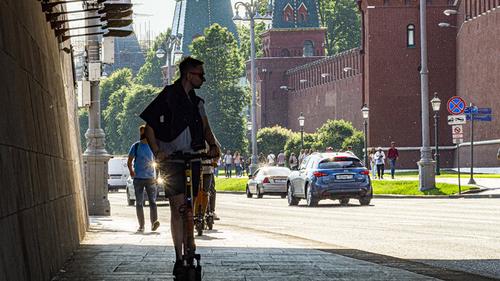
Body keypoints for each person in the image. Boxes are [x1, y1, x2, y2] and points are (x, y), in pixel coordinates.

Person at [139, 56, 220, 274]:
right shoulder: (167, 96)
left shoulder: (198, 103)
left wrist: (213, 145)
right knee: (178, 207)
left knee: (189, 205)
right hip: (172, 160)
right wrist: (158, 152)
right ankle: (178, 255)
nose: (203, 78)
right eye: (200, 75)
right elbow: (149, 128)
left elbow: (205, 128)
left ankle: (190, 244)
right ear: (188, 75)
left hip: (193, 157)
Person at [127, 125, 160, 233]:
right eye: (142, 133)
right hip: (138, 179)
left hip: (150, 178)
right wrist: (131, 171)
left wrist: (157, 177)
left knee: (153, 202)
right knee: (139, 203)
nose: (143, 135)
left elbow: (158, 162)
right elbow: (129, 161)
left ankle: (154, 223)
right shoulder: (136, 146)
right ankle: (141, 226)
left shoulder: (153, 146)